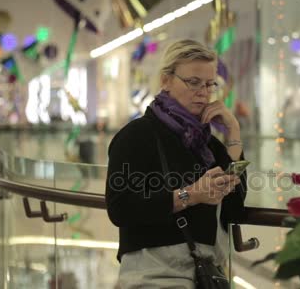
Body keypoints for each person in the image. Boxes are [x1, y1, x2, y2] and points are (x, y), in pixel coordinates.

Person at [106, 40, 247, 287]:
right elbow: (120, 208)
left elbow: (233, 209)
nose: (203, 92)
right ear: (166, 80)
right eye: (193, 82)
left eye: (209, 84)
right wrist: (191, 195)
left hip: (206, 275)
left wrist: (234, 132)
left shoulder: (208, 144)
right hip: (154, 277)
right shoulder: (137, 135)